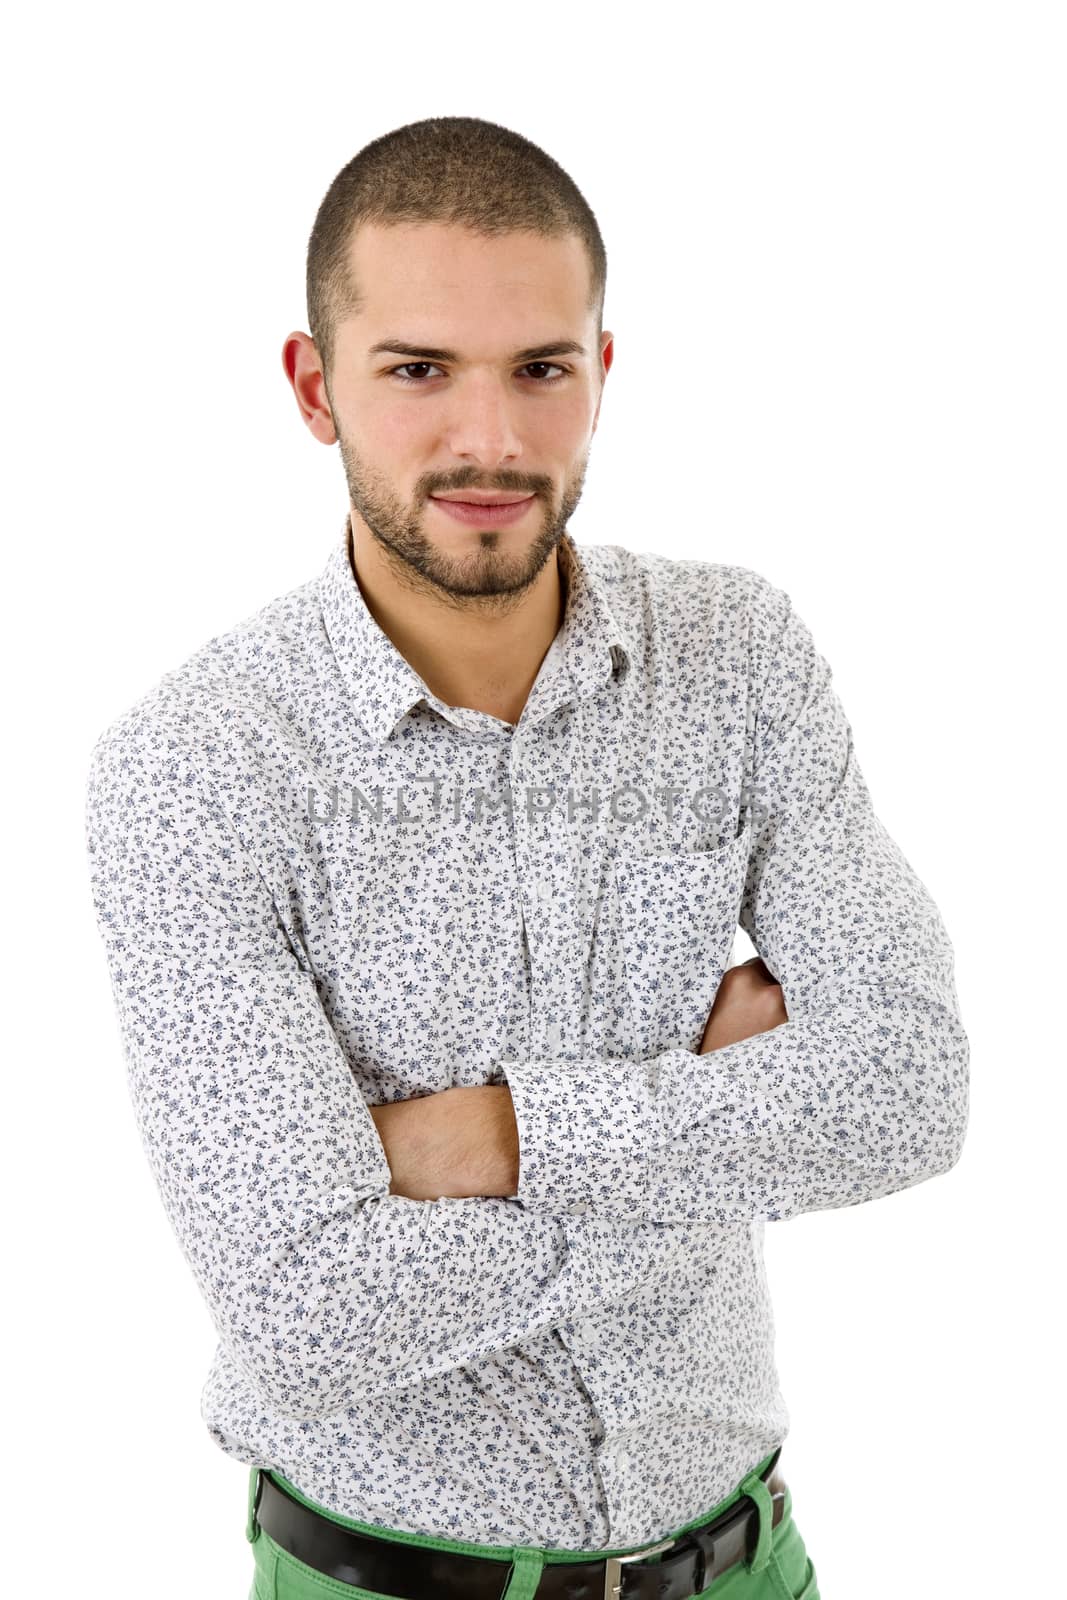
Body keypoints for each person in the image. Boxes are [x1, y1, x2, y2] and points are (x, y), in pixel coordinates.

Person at [84, 115, 969, 1600]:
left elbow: (911, 1091)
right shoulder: (197, 768)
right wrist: (709, 1116)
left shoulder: (739, 659)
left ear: (602, 375)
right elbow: (304, 1310)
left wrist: (488, 1135)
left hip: (750, 1563)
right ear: (316, 388)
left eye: (540, 370)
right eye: (419, 370)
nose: (489, 440)